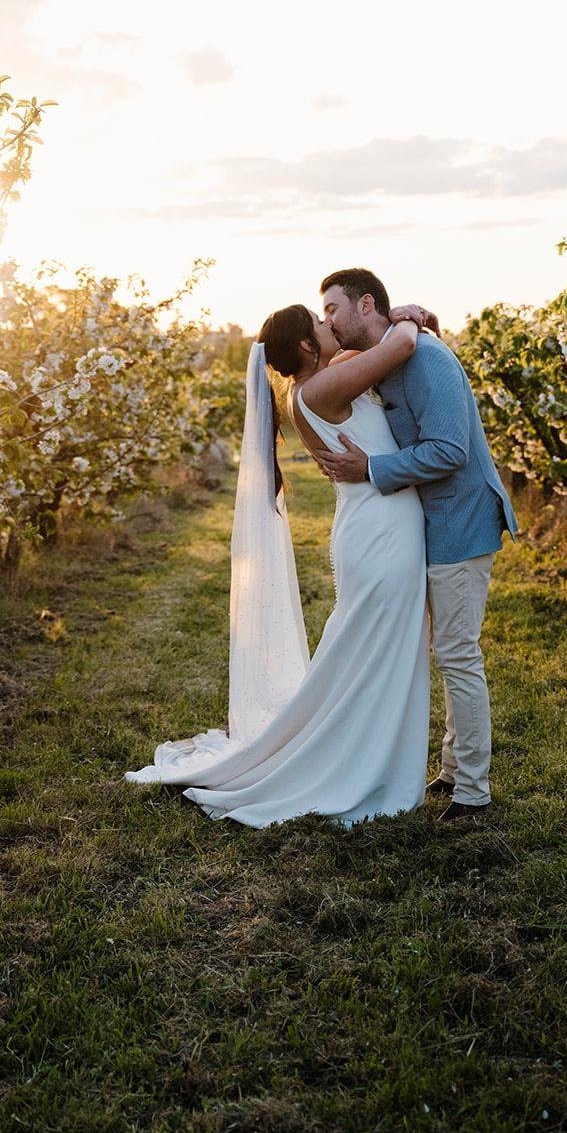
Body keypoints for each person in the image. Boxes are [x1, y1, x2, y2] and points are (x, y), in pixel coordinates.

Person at [124, 304, 431, 829]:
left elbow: (370, 352)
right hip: (382, 534)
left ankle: (366, 757)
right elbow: (400, 345)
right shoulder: (319, 390)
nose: (330, 324)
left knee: (372, 653)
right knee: (374, 654)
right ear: (308, 348)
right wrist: (409, 315)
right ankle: (355, 767)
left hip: (379, 526)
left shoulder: (318, 381)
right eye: (319, 321)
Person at [315, 269, 518, 822]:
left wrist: (370, 468)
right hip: (433, 522)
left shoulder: (424, 357)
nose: (328, 320)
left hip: (461, 520)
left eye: (333, 308)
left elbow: (450, 450)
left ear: (365, 305)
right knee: (447, 653)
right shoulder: (391, 353)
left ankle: (473, 793)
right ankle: (453, 770)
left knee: (458, 654)